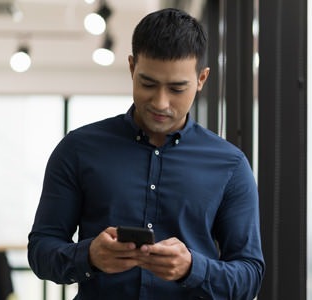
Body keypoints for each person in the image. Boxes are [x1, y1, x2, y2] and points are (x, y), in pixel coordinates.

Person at [27, 7, 264, 300]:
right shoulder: (78, 149)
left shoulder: (230, 165)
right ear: (131, 68)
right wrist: (89, 256)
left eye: (177, 88)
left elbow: (250, 276)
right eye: (148, 84)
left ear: (202, 79)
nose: (161, 102)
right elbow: (41, 250)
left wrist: (193, 268)